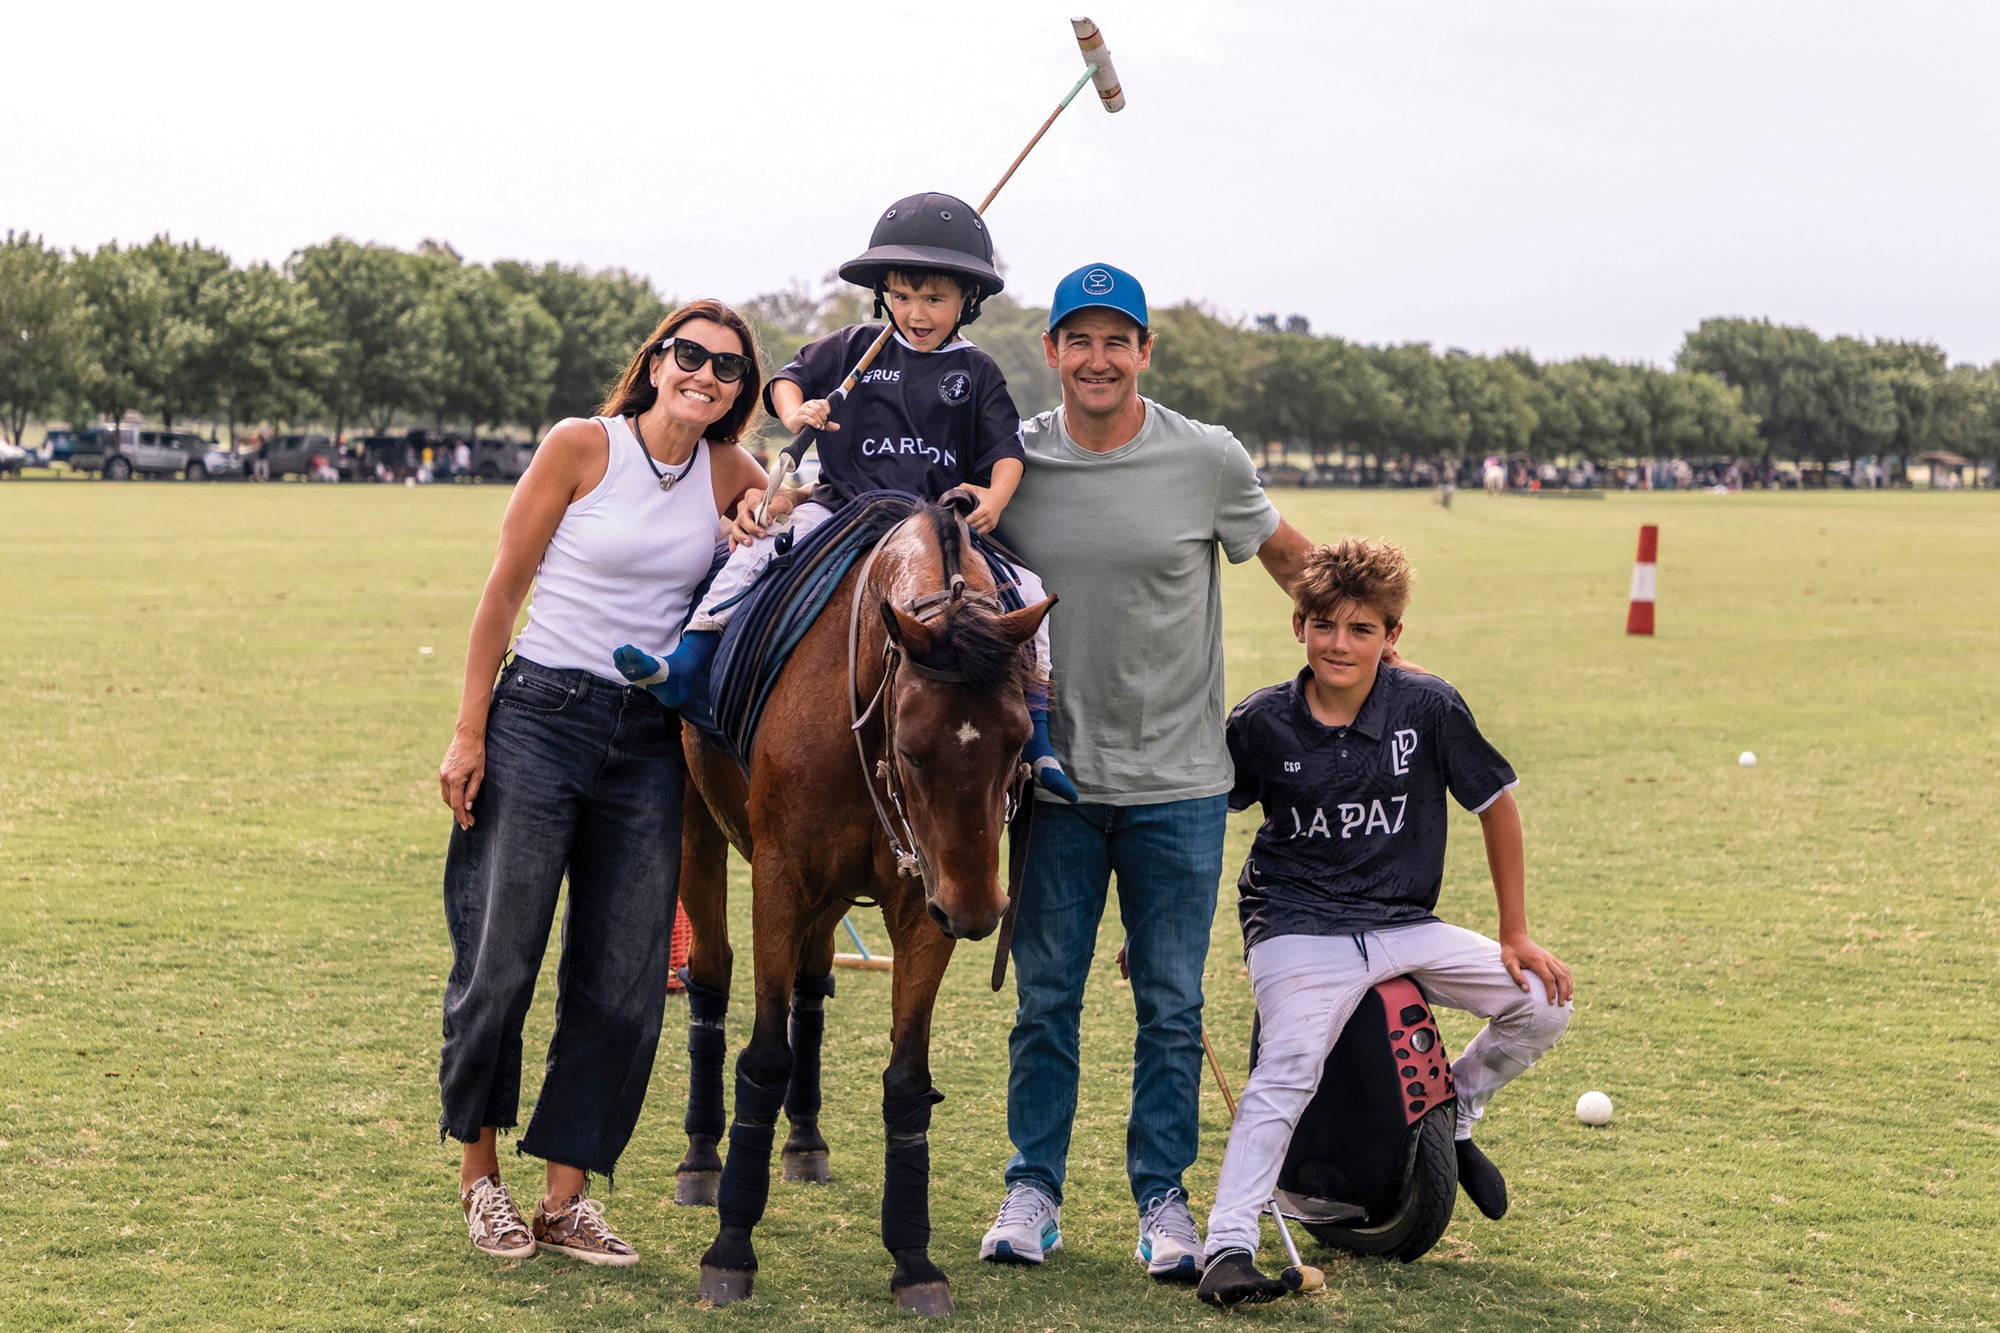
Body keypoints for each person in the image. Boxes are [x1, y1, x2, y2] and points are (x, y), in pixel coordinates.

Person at [978, 263, 1314, 1280]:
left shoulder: (1205, 457)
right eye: (1078, 340)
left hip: (1181, 786)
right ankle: (1032, 1190)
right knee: (1046, 1000)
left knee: (1170, 1007)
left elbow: (1296, 565)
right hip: (1054, 786)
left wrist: (1381, 652)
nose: (1097, 359)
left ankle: (1163, 1199)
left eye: (1115, 341)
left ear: (1144, 352)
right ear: (1050, 350)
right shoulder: (1013, 463)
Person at [435, 299, 769, 1265]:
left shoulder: (730, 471)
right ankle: (481, 1180)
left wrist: (765, 517)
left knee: (624, 981)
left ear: (740, 391)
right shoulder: (583, 445)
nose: (705, 374)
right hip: (539, 716)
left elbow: (794, 515)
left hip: (649, 742)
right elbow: (503, 589)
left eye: (728, 367)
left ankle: (565, 1199)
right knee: (500, 962)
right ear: (657, 361)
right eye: (690, 354)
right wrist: (468, 731)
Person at [1195, 538, 1574, 1306]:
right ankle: (1228, 1246)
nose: (1340, 643)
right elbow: (1198, 823)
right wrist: (1163, 924)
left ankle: (1456, 1115)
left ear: (1392, 635)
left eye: (1362, 629)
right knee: (1289, 1065)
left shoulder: (1428, 705)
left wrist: (1515, 932)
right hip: (1296, 922)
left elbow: (1496, 804)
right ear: (1298, 624)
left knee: (1542, 1001)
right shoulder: (1261, 720)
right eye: (1325, 625)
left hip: (1402, 920)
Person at [613, 192, 1075, 798]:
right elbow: (789, 380)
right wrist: (795, 410)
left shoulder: (977, 370)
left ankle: (1036, 734)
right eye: (902, 297)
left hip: (937, 527)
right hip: (841, 509)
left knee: (1030, 592)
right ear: (883, 293)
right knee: (755, 550)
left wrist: (996, 499)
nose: (916, 313)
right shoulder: (855, 347)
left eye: (934, 299)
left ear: (968, 299)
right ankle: (689, 661)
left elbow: (1006, 452)